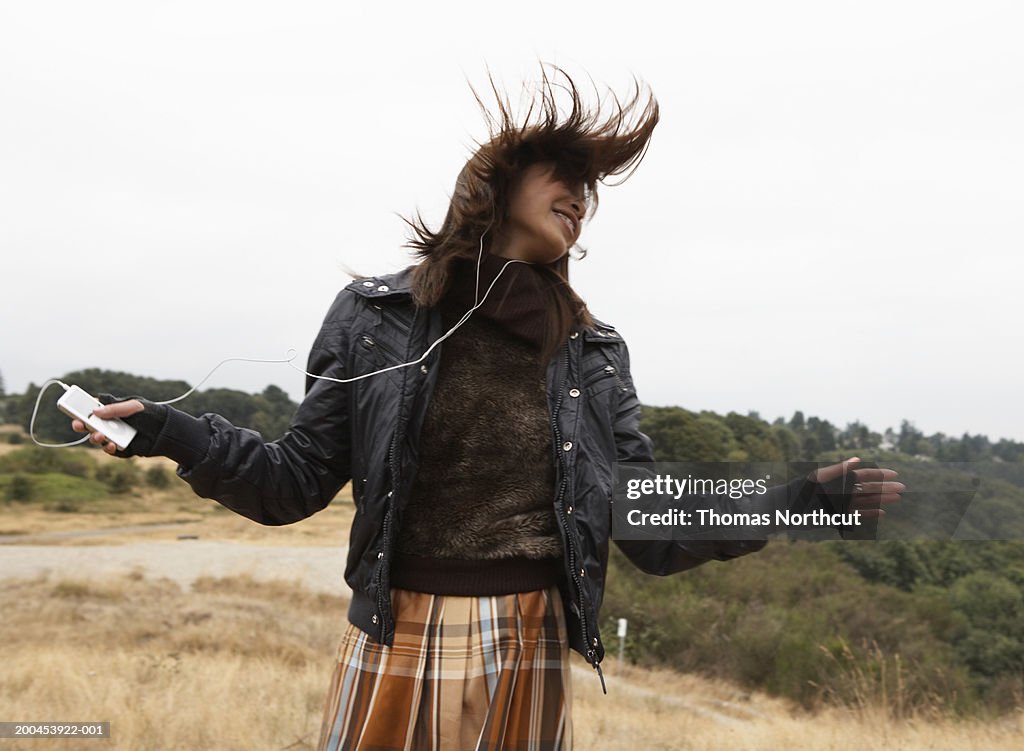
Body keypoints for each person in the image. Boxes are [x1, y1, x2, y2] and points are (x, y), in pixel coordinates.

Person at [71, 67, 904, 750]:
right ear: (497, 184)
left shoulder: (592, 349)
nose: (581, 195)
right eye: (564, 175)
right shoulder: (374, 319)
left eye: (592, 189)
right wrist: (170, 431)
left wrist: (797, 498)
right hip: (400, 629)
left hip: (530, 638)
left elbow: (646, 522)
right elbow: (291, 483)